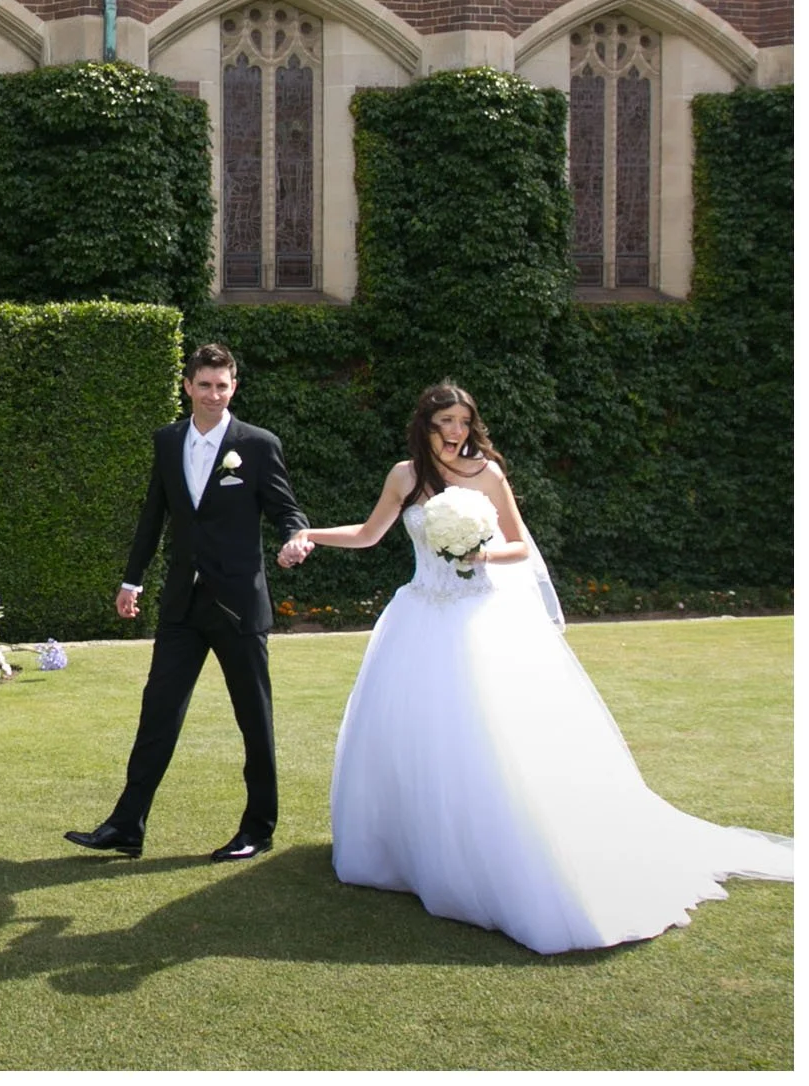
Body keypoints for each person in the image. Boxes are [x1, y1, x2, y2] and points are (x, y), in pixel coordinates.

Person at [278, 379, 793, 955]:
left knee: (493, 737)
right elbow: (371, 534)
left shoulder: (488, 474)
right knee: (421, 736)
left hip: (480, 617)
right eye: (444, 423)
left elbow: (519, 546)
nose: (455, 434)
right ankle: (417, 852)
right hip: (421, 616)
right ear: (424, 426)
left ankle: (506, 855)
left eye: (463, 423)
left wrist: (480, 552)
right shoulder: (404, 476)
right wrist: (309, 534)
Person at [66, 342, 309, 863]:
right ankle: (126, 826)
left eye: (223, 386)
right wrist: (131, 581)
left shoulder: (259, 445)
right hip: (182, 604)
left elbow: (287, 509)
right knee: (158, 712)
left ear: (234, 388)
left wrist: (295, 538)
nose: (214, 395)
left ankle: (258, 827)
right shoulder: (167, 440)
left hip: (239, 605)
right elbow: (153, 516)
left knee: (253, 717)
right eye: (205, 385)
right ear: (188, 387)